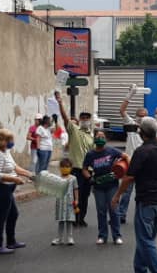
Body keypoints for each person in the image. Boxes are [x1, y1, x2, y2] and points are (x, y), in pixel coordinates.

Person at [112, 117, 157, 273]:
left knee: (145, 239)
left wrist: (117, 196)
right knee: (147, 238)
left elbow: (129, 177)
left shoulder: (141, 151)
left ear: (141, 133)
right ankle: (140, 271)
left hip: (147, 200)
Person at [0, 129, 32, 255]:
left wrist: (28, 174)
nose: (12, 142)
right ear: (3, 141)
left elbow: (14, 166)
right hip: (2, 189)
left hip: (8, 189)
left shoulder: (6, 152)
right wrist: (15, 179)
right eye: (10, 140)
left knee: (13, 214)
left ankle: (11, 241)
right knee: (1, 218)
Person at [83, 130, 129, 245]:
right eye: (98, 136)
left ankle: (117, 236)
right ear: (94, 139)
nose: (100, 138)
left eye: (102, 136)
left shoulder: (111, 150)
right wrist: (89, 178)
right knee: (101, 211)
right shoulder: (90, 154)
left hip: (112, 185)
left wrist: (128, 169)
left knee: (114, 210)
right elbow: (84, 169)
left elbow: (126, 156)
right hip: (98, 186)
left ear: (106, 139)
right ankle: (102, 236)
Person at [55, 92, 94, 227]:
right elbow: (65, 118)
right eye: (82, 118)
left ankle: (81, 218)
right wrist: (60, 102)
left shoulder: (92, 136)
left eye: (87, 118)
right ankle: (72, 218)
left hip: (88, 171)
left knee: (85, 196)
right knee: (74, 195)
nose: (84, 120)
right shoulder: (74, 130)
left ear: (90, 120)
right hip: (76, 169)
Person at [117, 86, 150, 224]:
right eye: (140, 116)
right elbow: (122, 110)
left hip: (145, 164)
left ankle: (142, 216)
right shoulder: (131, 124)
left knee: (143, 193)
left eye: (144, 116)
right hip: (131, 162)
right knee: (126, 191)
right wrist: (129, 95)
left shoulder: (149, 127)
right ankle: (121, 215)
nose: (142, 118)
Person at [51, 158, 79, 246]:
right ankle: (59, 238)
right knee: (61, 221)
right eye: (62, 166)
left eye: (67, 167)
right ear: (60, 168)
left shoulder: (73, 178)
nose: (65, 168)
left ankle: (70, 238)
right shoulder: (58, 178)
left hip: (70, 203)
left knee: (69, 220)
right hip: (60, 202)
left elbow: (75, 189)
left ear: (71, 168)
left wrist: (76, 200)